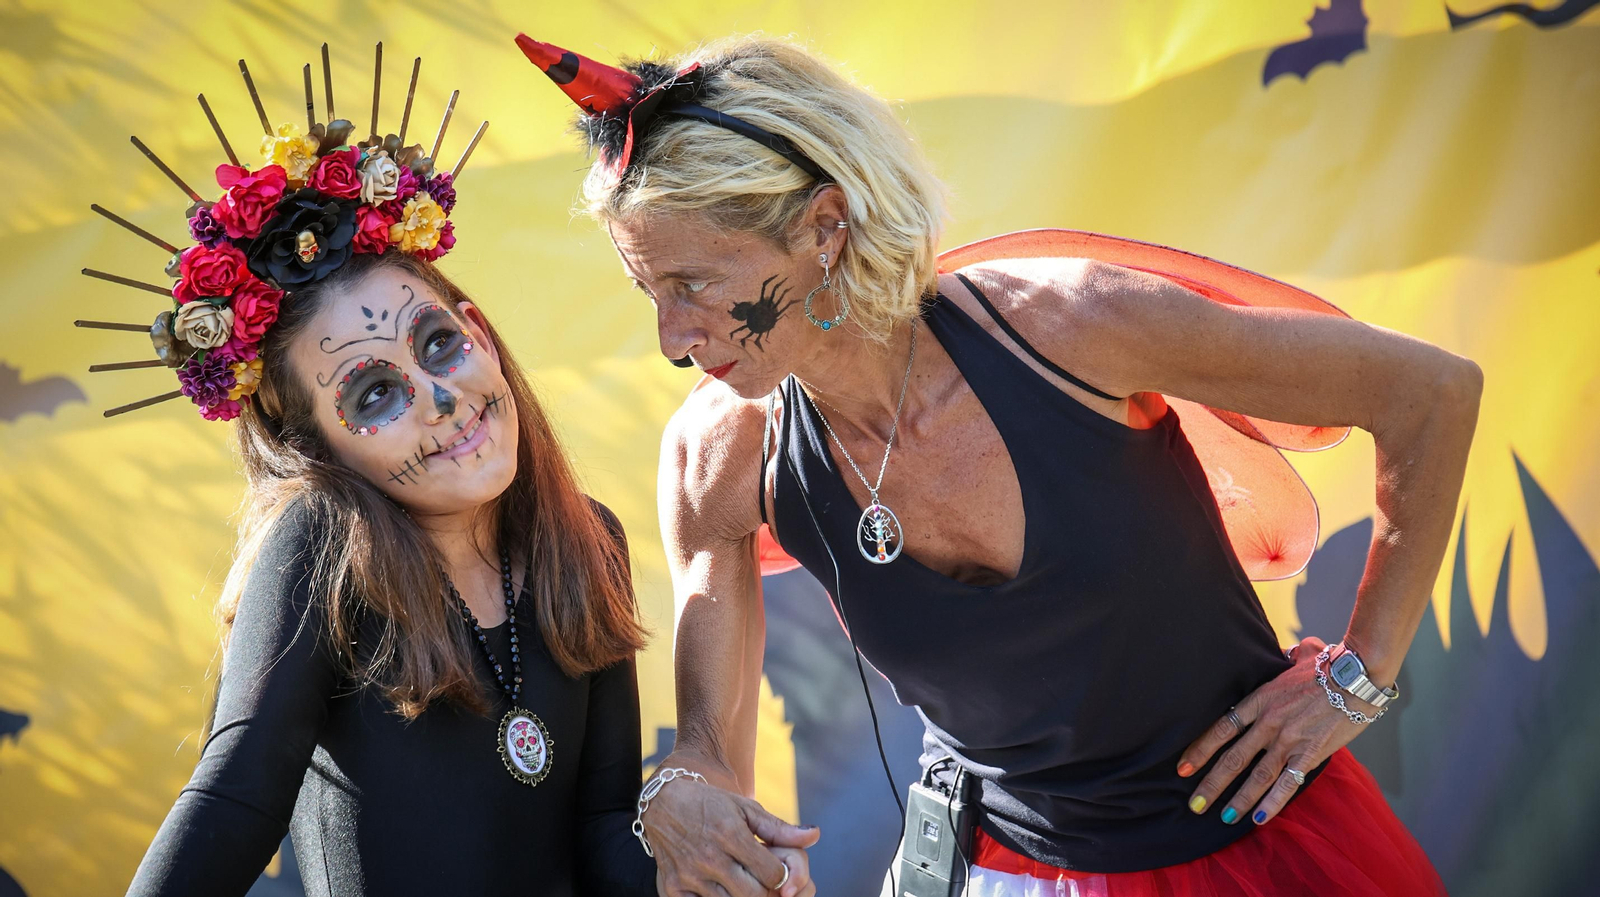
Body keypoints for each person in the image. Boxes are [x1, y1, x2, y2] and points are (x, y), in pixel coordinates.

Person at [519, 32, 1479, 896]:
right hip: (999, 869)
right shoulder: (717, 451)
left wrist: (1359, 675)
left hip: (1269, 852)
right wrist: (679, 797)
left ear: (823, 225)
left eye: (694, 285)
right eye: (649, 289)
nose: (671, 338)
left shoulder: (1070, 327)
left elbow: (1431, 394)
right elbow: (707, 752)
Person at [81, 50, 660, 897]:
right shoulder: (320, 548)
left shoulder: (589, 537)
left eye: (437, 345)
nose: (438, 397)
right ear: (316, 448)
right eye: (375, 391)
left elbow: (604, 821)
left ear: (479, 333)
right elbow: (234, 799)